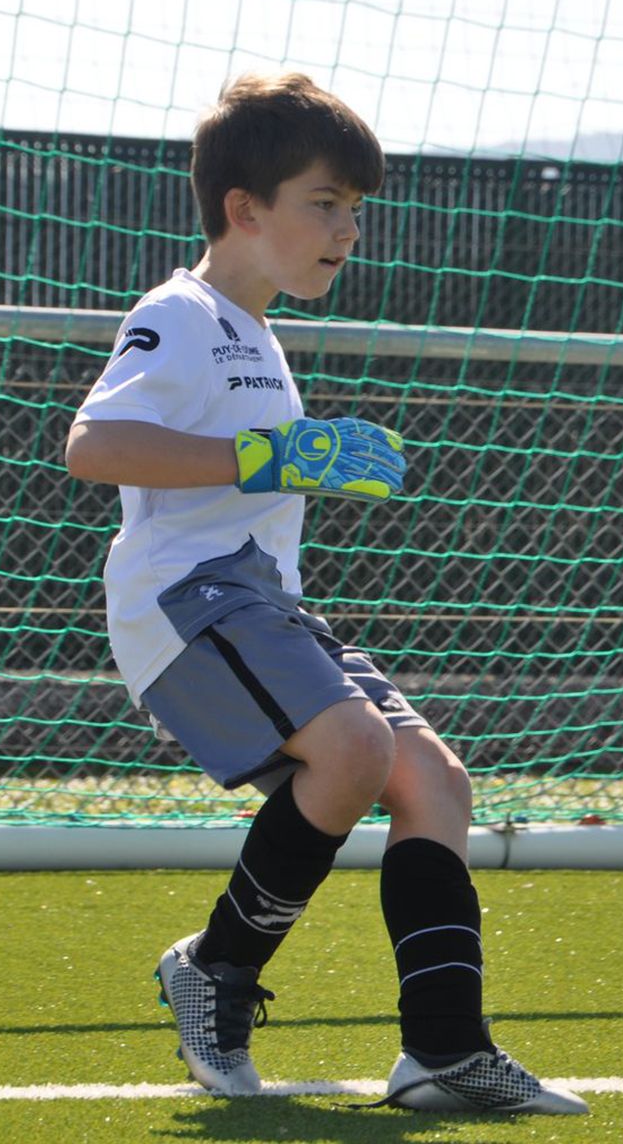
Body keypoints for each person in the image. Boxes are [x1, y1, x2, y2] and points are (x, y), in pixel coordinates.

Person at [64, 71, 587, 1116]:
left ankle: (444, 1050)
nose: (349, 230)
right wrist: (271, 455)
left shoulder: (259, 334)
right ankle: (215, 970)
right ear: (244, 209)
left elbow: (243, 469)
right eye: (325, 203)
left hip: (262, 599)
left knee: (433, 779)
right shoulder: (178, 313)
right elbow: (95, 445)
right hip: (186, 600)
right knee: (353, 748)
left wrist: (299, 459)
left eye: (355, 208)